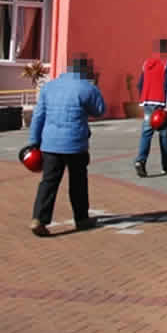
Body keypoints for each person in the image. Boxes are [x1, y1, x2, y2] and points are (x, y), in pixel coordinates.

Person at [27, 56, 107, 236]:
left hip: (50, 143)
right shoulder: (87, 88)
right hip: (75, 143)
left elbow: (38, 116)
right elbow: (100, 110)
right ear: (87, 72)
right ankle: (81, 219)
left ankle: (39, 218)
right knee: (78, 182)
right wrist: (95, 87)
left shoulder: (49, 87)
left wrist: (33, 141)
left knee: (49, 182)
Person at [134, 38, 167, 178]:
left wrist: (143, 100)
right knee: (164, 134)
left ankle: (140, 161)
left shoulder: (146, 63)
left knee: (146, 132)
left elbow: (140, 84)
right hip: (160, 103)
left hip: (147, 102)